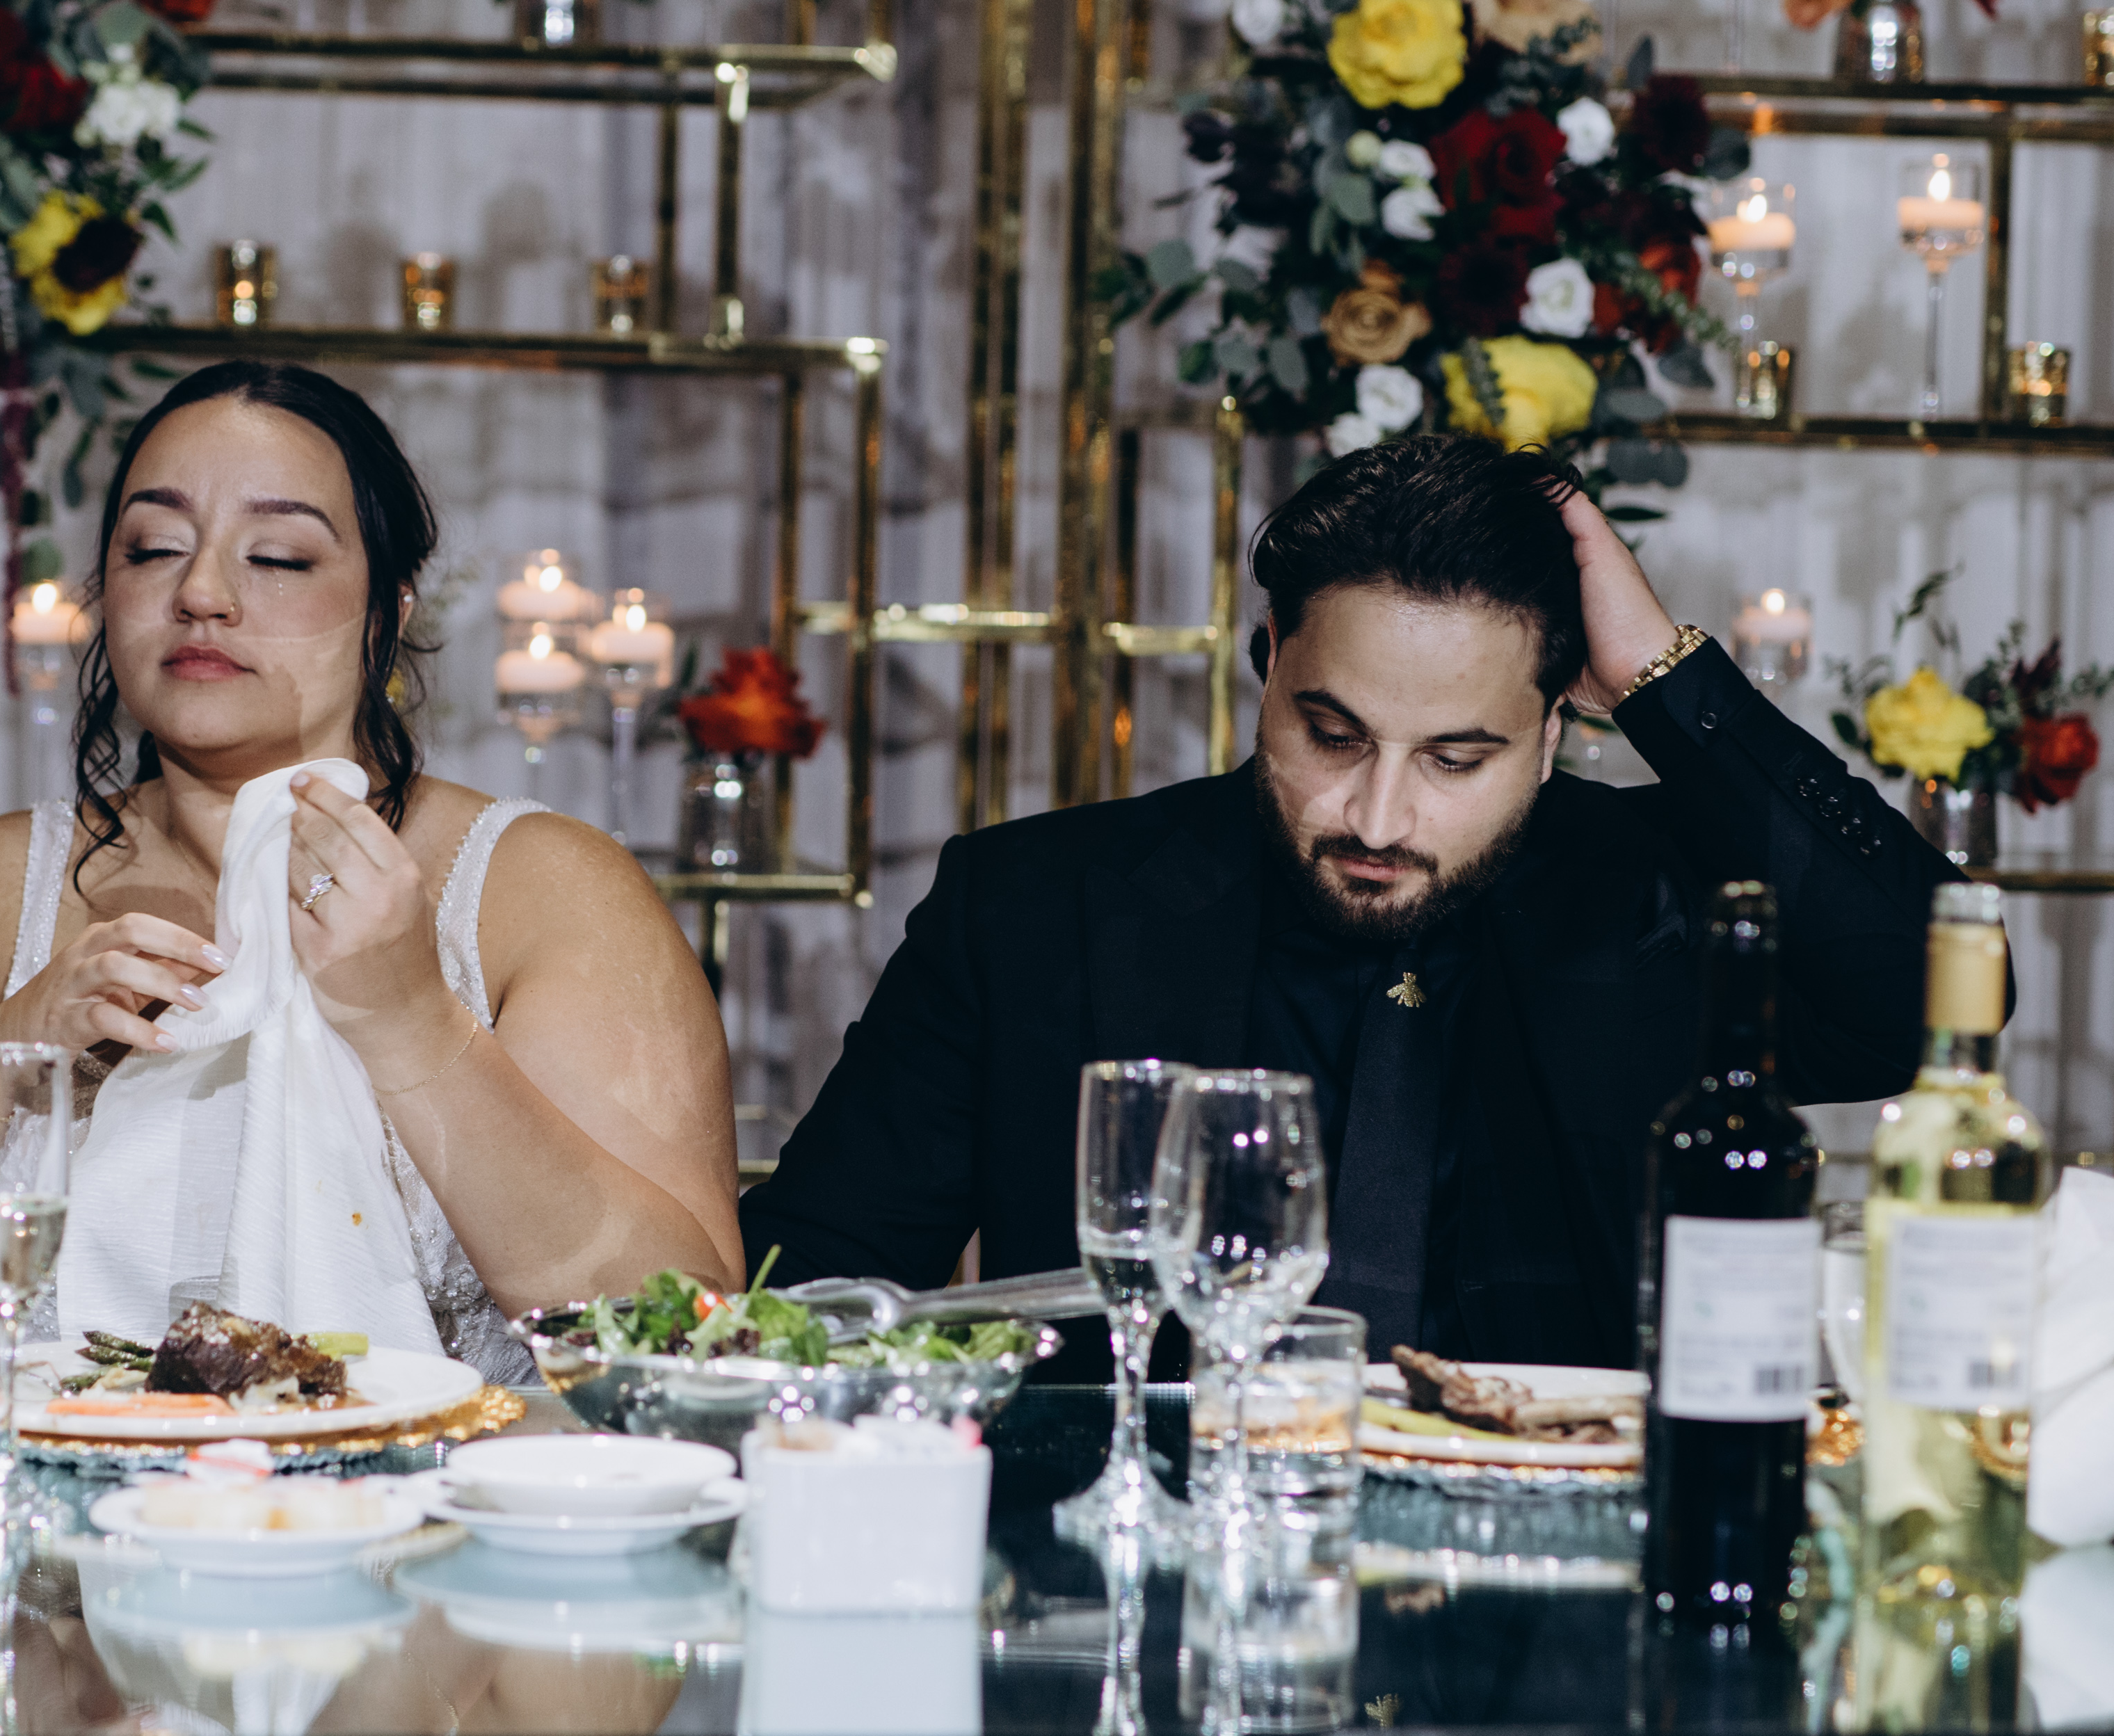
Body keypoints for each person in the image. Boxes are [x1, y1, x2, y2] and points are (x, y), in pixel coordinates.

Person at [740, 435, 1976, 1378]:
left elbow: (1934, 992)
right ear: (1270, 663)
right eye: (1333, 736)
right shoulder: (1033, 908)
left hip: (1565, 1600)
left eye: (1455, 759)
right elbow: (812, 1289)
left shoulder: (1656, 897)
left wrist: (1665, 679)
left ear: (1553, 731)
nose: (1379, 818)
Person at [0, 360, 742, 1383]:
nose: (201, 594)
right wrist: (8, 1040)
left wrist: (414, 1026)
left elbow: (685, 1348)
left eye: (279, 557)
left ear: (387, 611)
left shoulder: (544, 891)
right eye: (154, 548)